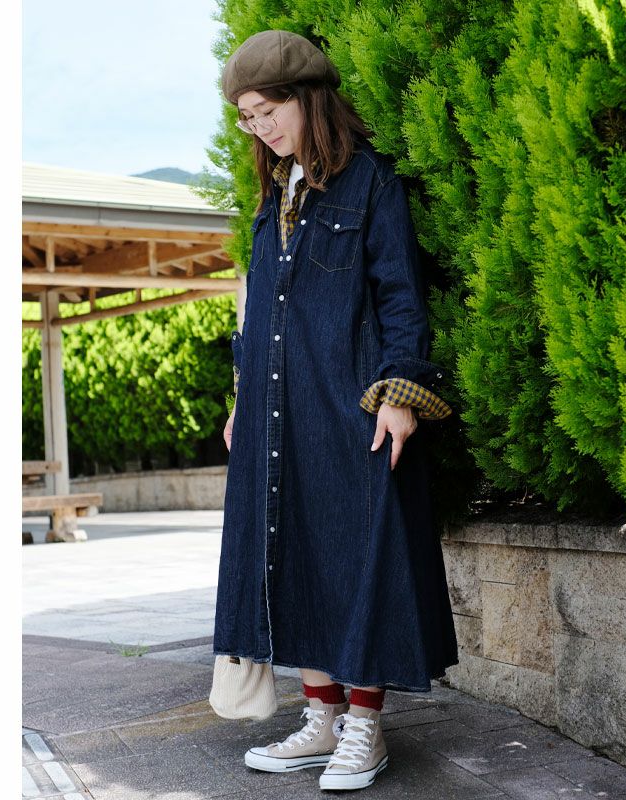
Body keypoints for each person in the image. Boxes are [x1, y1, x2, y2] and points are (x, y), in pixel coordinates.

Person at [214, 29, 459, 792]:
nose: (260, 128)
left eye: (268, 111)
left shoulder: (371, 184)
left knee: (359, 560)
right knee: (292, 556)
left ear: (307, 98)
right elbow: (259, 315)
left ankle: (365, 728)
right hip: (277, 412)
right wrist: (243, 398)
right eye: (248, 118)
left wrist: (400, 395)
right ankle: (320, 718)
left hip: (351, 407)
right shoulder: (272, 199)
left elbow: (401, 299)